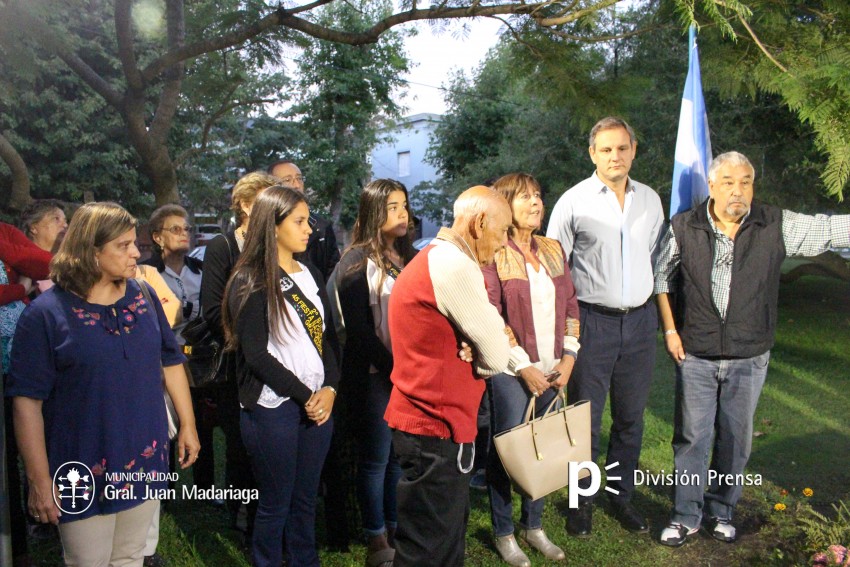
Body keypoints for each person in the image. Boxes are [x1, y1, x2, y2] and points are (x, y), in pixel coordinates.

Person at [654, 151, 850, 547]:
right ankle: (685, 515)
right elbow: (662, 276)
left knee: (735, 439)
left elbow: (829, 230)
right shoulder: (684, 226)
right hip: (697, 354)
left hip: (749, 356)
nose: (737, 190)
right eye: (728, 181)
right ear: (712, 185)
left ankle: (721, 510)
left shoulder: (774, 224)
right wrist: (671, 331)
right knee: (692, 438)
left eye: (745, 181)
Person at [6, 202, 199, 566]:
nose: (136, 252)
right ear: (91, 253)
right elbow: (26, 402)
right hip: (80, 463)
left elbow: (171, 362)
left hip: (144, 454)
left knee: (130, 557)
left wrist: (187, 425)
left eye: (133, 242)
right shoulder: (45, 315)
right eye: (123, 245)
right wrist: (38, 479)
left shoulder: (144, 298)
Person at [384, 186, 515, 567]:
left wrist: (485, 343)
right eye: (503, 230)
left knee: (439, 542)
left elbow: (494, 340)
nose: (505, 243)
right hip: (435, 428)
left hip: (428, 424)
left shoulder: (437, 259)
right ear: (479, 223)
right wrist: (482, 352)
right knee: (429, 549)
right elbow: (496, 354)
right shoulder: (454, 264)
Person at [546, 116, 664, 537]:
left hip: (639, 322)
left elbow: (651, 256)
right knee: (585, 420)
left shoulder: (650, 201)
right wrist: (566, 335)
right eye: (606, 149)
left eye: (622, 148)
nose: (615, 156)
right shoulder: (573, 201)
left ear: (633, 150)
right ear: (592, 154)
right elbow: (556, 272)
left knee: (630, 418)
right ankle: (582, 502)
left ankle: (621, 496)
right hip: (592, 323)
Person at [222, 186, 340, 567]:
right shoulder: (250, 279)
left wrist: (331, 389)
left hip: (318, 402)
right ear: (272, 227)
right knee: (275, 503)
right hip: (272, 406)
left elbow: (329, 340)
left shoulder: (311, 273)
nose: (310, 229)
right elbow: (255, 354)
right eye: (300, 222)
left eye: (309, 220)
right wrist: (306, 394)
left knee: (305, 500)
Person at [482, 173, 581, 566]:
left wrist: (569, 358)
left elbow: (571, 304)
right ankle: (504, 532)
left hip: (555, 369)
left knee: (544, 448)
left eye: (539, 195)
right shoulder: (494, 252)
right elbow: (490, 314)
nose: (536, 203)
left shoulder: (553, 248)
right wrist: (523, 367)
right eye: (525, 197)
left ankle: (533, 525)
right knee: (509, 452)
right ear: (506, 206)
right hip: (511, 371)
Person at [335, 179, 416, 567]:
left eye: (404, 205)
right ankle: (375, 535)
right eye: (393, 206)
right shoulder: (355, 262)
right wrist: (394, 368)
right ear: (373, 212)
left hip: (408, 373)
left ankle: (397, 524)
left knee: (399, 458)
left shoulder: (411, 257)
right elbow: (358, 332)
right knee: (376, 458)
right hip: (374, 375)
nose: (402, 213)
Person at [201, 171, 279, 535]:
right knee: (241, 444)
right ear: (246, 205)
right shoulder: (224, 246)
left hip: (281, 360)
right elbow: (212, 309)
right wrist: (247, 341)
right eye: (266, 200)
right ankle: (242, 513)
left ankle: (268, 514)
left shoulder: (282, 244)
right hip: (239, 362)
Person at [140, 204, 204, 566]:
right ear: (157, 237)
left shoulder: (200, 269)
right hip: (163, 361)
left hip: (194, 355)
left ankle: (201, 486)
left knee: (196, 426)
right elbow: (166, 316)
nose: (185, 233)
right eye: (175, 228)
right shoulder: (147, 273)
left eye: (187, 228)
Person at [1, 222, 52, 567]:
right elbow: (25, 280)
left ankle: (17, 550)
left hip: (10, 363)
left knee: (10, 462)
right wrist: (17, 290)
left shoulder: (4, 231)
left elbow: (43, 264)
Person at [268, 160, 341, 281]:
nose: (296, 185)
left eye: (299, 178)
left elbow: (332, 276)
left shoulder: (321, 228)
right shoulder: (262, 225)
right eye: (287, 180)